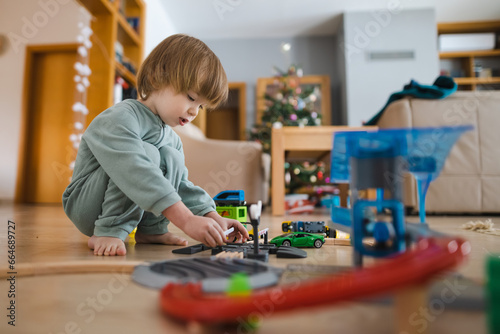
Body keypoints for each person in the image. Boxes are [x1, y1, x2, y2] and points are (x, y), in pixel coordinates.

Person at [62, 34, 249, 256]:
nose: (194, 112)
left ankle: (151, 229)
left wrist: (212, 216)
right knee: (147, 154)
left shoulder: (172, 139)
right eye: (191, 97)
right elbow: (134, 169)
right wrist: (187, 221)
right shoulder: (120, 118)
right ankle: (109, 229)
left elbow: (180, 185)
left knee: (171, 156)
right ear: (154, 79)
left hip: (127, 203)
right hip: (87, 206)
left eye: (201, 106)